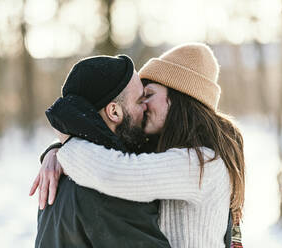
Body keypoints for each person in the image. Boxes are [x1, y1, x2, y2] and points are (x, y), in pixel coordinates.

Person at [36, 43, 245, 248]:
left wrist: (67, 142)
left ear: (179, 100)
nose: (143, 105)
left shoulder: (203, 163)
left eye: (149, 95)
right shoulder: (162, 151)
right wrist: (55, 150)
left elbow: (116, 172)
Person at [30, 54, 172, 248]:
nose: (146, 107)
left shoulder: (64, 172)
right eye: (140, 101)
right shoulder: (109, 187)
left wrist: (57, 149)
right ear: (114, 112)